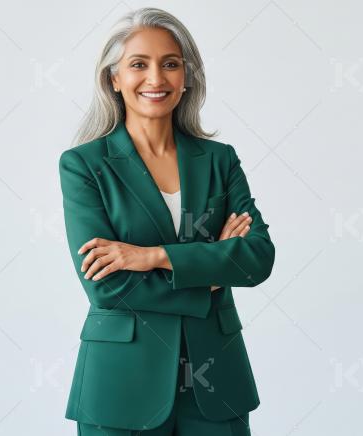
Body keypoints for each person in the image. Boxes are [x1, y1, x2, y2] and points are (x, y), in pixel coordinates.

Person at [58, 7, 276, 435]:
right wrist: (210, 270)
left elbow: (257, 257)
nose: (156, 79)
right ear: (114, 79)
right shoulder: (84, 166)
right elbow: (107, 286)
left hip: (216, 386)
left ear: (186, 77)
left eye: (170, 64)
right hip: (121, 387)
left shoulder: (219, 160)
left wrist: (152, 256)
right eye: (138, 64)